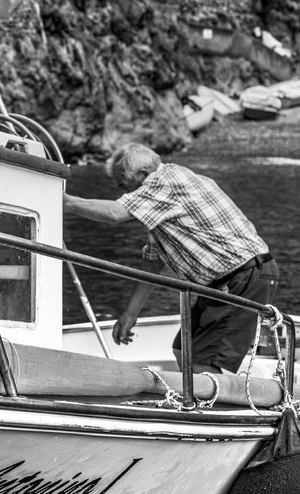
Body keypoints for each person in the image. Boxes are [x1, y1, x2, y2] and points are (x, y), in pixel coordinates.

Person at [64, 142, 278, 375]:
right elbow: (153, 265)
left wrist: (65, 202)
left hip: (243, 275)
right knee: (182, 350)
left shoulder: (163, 182)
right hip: (232, 278)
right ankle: (195, 402)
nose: (124, 193)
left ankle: (207, 407)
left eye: (124, 185)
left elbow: (114, 213)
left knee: (203, 363)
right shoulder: (161, 201)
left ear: (143, 175)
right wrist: (130, 314)